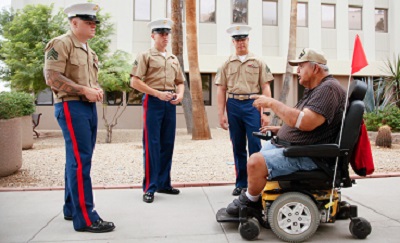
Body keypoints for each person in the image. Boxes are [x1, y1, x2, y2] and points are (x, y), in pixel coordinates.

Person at [225, 48, 347, 216]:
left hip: (312, 157)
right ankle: (254, 194)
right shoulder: (318, 89)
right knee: (260, 156)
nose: (297, 71)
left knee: (255, 162)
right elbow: (307, 121)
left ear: (315, 69)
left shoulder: (328, 89)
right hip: (301, 147)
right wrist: (281, 130)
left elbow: (306, 122)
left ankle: (250, 204)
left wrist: (272, 103)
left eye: (301, 66)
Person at [43, 3, 115, 233]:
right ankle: (85, 218)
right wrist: (85, 90)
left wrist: (95, 89)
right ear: (74, 23)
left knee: (78, 159)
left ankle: (71, 208)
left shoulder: (88, 49)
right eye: (88, 22)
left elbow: (86, 80)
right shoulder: (61, 43)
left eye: (94, 22)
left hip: (86, 108)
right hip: (71, 107)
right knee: (80, 160)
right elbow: (52, 78)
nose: (93, 25)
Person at [130, 18, 185, 203]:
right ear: (153, 36)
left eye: (167, 34)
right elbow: (135, 81)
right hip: (153, 102)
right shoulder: (145, 56)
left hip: (169, 103)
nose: (165, 37)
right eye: (161, 33)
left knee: (167, 143)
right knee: (152, 144)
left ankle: (163, 183)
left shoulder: (172, 58)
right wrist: (157, 94)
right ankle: (150, 187)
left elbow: (179, 82)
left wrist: (180, 95)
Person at [215, 25, 273, 196]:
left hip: (252, 105)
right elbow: (221, 90)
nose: (241, 43)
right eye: (237, 40)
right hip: (233, 105)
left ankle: (255, 182)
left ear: (248, 40)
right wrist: (221, 114)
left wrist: (266, 112)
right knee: (238, 145)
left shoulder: (258, 62)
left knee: (255, 144)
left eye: (243, 39)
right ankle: (241, 183)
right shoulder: (226, 64)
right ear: (233, 42)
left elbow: (266, 87)